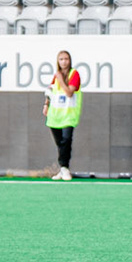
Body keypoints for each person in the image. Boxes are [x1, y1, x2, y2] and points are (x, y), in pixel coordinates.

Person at [43, 49, 83, 180]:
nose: (64, 62)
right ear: (58, 61)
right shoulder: (57, 75)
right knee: (60, 143)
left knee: (66, 139)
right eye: (61, 59)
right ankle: (62, 168)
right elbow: (50, 91)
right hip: (55, 115)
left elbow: (69, 92)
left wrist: (60, 80)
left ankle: (65, 168)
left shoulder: (74, 74)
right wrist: (46, 105)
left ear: (70, 61)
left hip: (68, 114)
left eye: (66, 59)